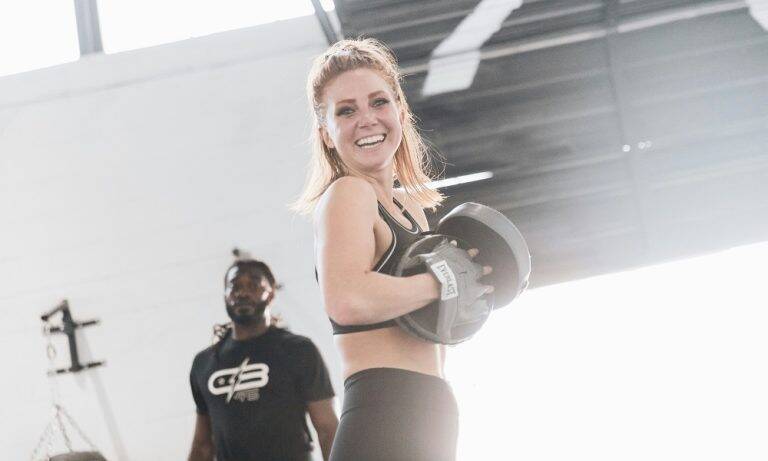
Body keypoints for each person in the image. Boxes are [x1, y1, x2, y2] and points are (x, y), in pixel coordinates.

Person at [293, 39, 492, 461]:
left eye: (378, 102)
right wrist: (439, 284)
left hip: (430, 408)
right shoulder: (348, 193)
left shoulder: (412, 213)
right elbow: (347, 301)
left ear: (401, 112)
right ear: (326, 133)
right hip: (386, 408)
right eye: (346, 111)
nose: (366, 120)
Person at [187, 255, 338, 461]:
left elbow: (328, 430)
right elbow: (203, 445)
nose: (242, 292)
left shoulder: (298, 350)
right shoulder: (204, 363)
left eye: (254, 285)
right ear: (225, 296)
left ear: (271, 294)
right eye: (235, 286)